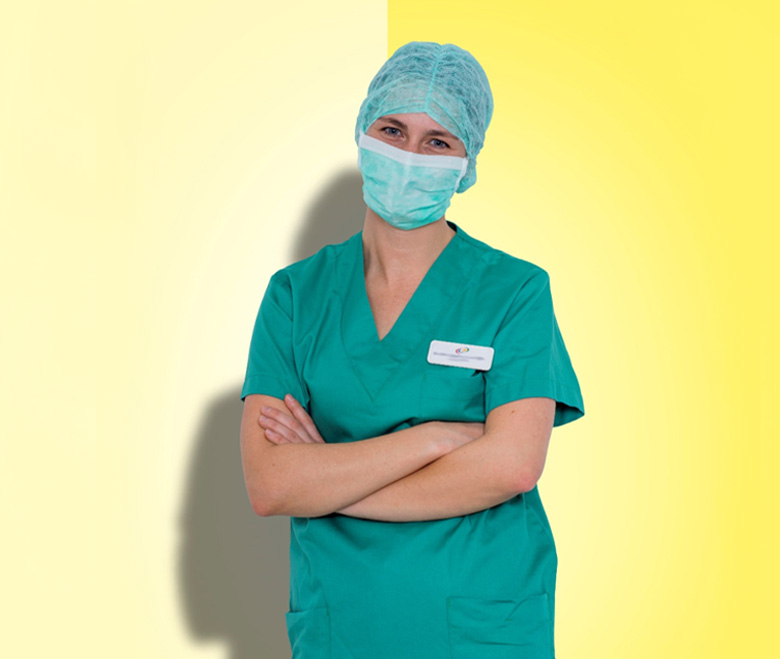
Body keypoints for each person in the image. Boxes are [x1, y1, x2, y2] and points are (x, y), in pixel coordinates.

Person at [239, 41, 585, 659]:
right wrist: (431, 440)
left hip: (481, 628)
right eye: (393, 130)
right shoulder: (295, 295)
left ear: (466, 163)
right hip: (343, 624)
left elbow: (511, 467)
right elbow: (270, 484)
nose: (409, 156)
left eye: (437, 141)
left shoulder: (514, 290)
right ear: (362, 132)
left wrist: (325, 479)